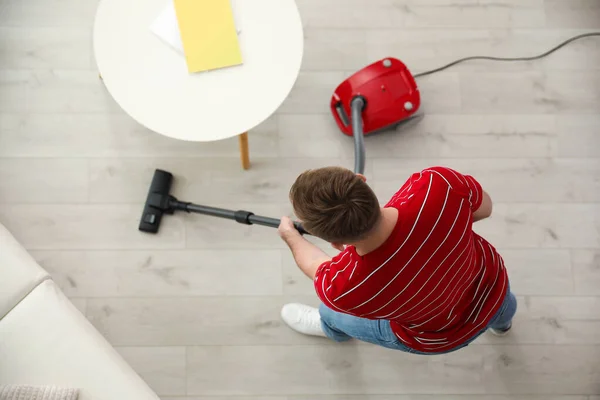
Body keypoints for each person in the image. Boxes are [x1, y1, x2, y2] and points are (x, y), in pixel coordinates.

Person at [277, 166, 516, 354]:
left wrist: (291, 235)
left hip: (439, 337)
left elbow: (315, 266)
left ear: (336, 244)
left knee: (330, 311)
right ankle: (502, 326)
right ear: (361, 179)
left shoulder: (342, 288)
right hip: (492, 289)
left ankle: (332, 329)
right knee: (502, 308)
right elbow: (485, 209)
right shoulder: (438, 186)